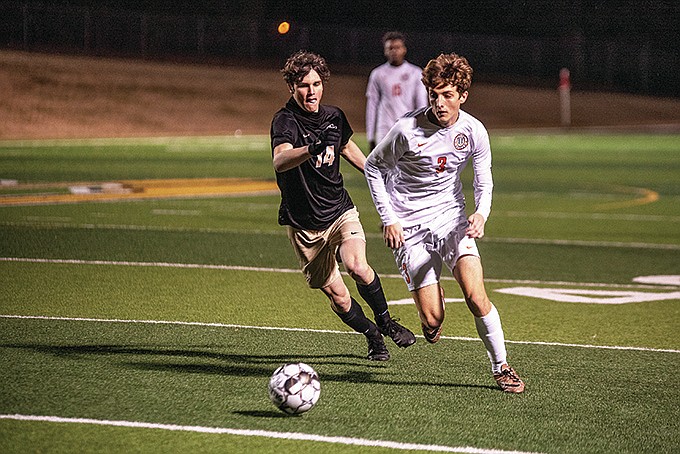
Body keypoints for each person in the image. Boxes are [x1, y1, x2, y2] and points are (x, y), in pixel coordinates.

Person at [364, 53, 525, 392]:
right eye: (434, 94)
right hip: (409, 227)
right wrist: (388, 219)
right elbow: (373, 168)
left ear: (462, 95)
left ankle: (502, 367)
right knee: (433, 320)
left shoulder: (474, 131)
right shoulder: (406, 130)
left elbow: (484, 180)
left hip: (452, 220)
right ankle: (430, 312)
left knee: (476, 296)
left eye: (447, 94)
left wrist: (481, 213)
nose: (439, 102)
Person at [270, 50, 416, 361]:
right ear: (291, 88)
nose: (312, 91)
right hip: (304, 225)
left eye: (317, 84)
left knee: (357, 266)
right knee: (338, 296)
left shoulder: (334, 116)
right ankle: (371, 334)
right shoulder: (285, 120)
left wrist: (377, 176)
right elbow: (280, 160)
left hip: (339, 211)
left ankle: (387, 322)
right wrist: (312, 148)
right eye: (305, 85)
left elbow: (347, 147)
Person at [365, 32, 428, 151]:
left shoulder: (415, 73)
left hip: (408, 127)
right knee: (384, 168)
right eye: (390, 48)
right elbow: (372, 105)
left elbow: (422, 105)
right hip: (384, 128)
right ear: (385, 51)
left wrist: (422, 129)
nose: (394, 51)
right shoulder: (377, 74)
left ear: (404, 50)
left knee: (406, 167)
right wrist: (370, 136)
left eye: (397, 48)